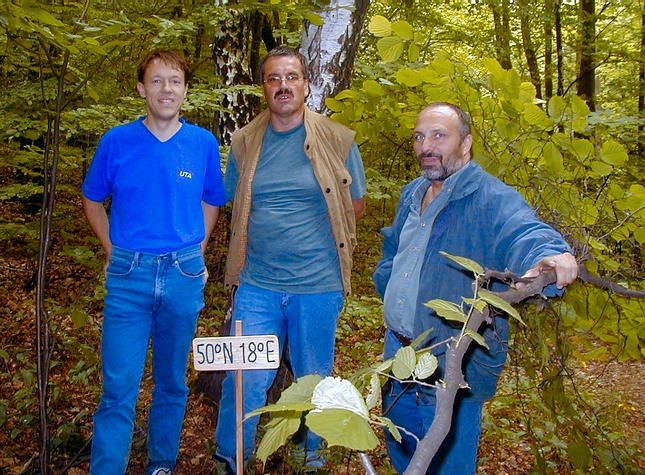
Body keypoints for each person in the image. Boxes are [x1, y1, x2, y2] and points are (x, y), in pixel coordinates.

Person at [372, 102, 578, 474]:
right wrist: (386, 282)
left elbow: (524, 230)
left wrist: (548, 256)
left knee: (448, 465)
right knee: (405, 459)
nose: (425, 146)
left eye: (439, 135)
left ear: (465, 143)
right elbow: (394, 249)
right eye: (419, 137)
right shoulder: (412, 194)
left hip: (453, 360)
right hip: (397, 356)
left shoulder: (490, 198)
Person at [214, 46, 366, 472]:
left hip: (318, 285)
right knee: (243, 380)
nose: (283, 86)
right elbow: (227, 201)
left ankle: (309, 461)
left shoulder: (336, 139)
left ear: (305, 84)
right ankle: (232, 460)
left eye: (291, 77)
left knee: (314, 383)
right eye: (273, 78)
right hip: (256, 286)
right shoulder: (244, 142)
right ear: (263, 86)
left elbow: (355, 206)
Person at [82, 49, 227, 474]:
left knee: (171, 383)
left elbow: (212, 201)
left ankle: (160, 465)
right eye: (158, 80)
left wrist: (196, 253)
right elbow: (92, 200)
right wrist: (113, 250)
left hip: (182, 274)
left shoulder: (200, 142)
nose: (167, 89)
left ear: (185, 90)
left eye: (175, 81)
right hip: (129, 275)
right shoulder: (117, 141)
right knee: (119, 387)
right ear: (142, 88)